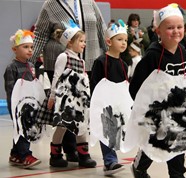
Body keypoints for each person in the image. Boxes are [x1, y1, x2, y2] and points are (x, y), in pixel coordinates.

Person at [29, 0, 107, 164]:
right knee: (65, 112)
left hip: (88, 61)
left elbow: (101, 28)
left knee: (81, 111)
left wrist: (109, 56)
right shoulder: (50, 4)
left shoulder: (89, 3)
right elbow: (40, 34)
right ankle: (68, 150)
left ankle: (81, 152)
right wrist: (29, 62)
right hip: (59, 62)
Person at [128, 3, 186, 178]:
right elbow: (136, 85)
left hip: (179, 115)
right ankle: (139, 167)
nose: (176, 31)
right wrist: (143, 108)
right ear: (158, 31)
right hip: (157, 114)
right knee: (154, 145)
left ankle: (177, 174)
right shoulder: (152, 56)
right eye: (170, 27)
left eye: (179, 27)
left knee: (177, 147)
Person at [47, 21, 96, 168]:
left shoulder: (81, 61)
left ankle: (84, 155)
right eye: (81, 41)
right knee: (62, 126)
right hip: (65, 100)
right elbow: (56, 77)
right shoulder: (64, 57)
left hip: (79, 100)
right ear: (69, 43)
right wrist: (52, 96)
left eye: (84, 41)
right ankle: (55, 156)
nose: (84, 44)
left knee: (81, 125)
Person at [90, 19, 128, 176]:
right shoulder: (101, 62)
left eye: (125, 40)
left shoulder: (124, 65)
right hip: (104, 105)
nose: (124, 43)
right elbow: (95, 85)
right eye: (120, 39)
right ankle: (110, 161)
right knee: (107, 131)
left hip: (118, 105)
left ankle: (111, 161)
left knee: (116, 132)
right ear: (108, 41)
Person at [4, 29, 41, 168]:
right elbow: (10, 90)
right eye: (25, 47)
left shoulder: (31, 66)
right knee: (22, 129)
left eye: (31, 47)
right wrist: (14, 107)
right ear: (15, 49)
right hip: (17, 107)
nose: (30, 50)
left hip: (30, 105)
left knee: (23, 129)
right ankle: (25, 155)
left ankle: (15, 154)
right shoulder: (11, 68)